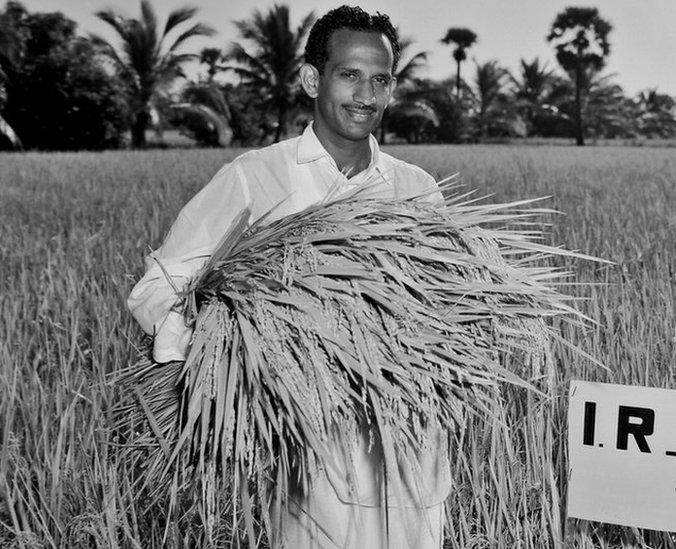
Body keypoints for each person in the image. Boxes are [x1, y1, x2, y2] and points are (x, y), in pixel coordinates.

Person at [126, 6, 450, 548]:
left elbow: (447, 311)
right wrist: (221, 333)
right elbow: (156, 287)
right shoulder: (256, 179)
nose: (366, 95)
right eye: (349, 75)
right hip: (310, 465)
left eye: (381, 79)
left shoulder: (417, 190)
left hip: (412, 461)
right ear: (311, 79)